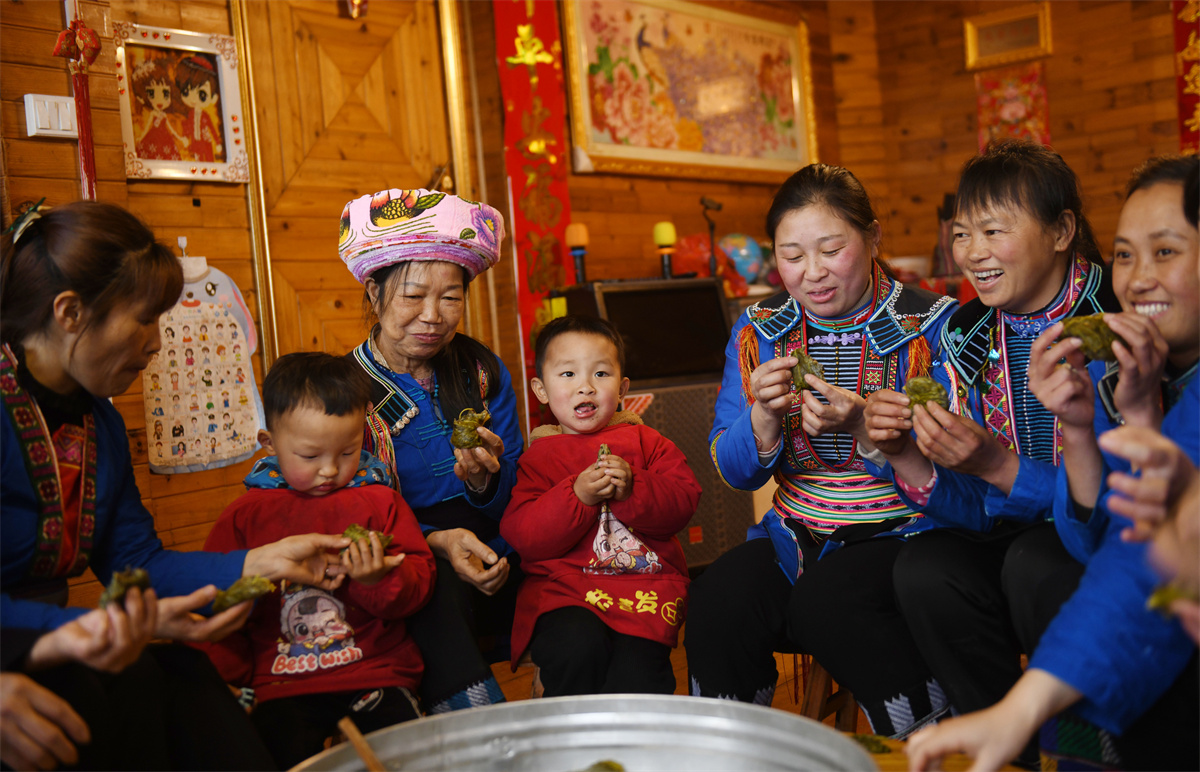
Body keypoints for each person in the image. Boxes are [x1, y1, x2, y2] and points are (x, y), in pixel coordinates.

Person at [1, 200, 350, 769]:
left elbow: (135, 562)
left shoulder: (101, 424)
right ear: (69, 312)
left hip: (63, 644)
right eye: (144, 318)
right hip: (27, 653)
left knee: (183, 679)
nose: (157, 343)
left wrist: (259, 562)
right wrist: (85, 628)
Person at [907, 156, 1199, 772]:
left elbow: (1138, 557)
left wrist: (999, 463)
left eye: (1166, 252)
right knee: (925, 569)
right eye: (1125, 255)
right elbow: (1123, 547)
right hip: (1081, 554)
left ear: (1064, 233)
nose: (1140, 278)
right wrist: (900, 452)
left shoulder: (1101, 330)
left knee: (1038, 565)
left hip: (1085, 568)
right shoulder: (965, 336)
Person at [684, 163, 957, 736]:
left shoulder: (935, 325)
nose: (812, 274)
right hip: (795, 535)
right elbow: (734, 473)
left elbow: (960, 474)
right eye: (792, 256)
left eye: (831, 250)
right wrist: (761, 415)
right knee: (718, 601)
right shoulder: (760, 330)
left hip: (906, 534)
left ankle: (936, 742)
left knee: (829, 603)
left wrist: (863, 422)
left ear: (873, 238)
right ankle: (728, 753)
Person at [198, 353, 436, 768]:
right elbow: (215, 605)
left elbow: (418, 584)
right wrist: (230, 678)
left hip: (376, 673)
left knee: (410, 757)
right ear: (269, 444)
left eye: (347, 452)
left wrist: (378, 579)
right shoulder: (245, 517)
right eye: (310, 456)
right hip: (281, 685)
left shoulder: (380, 501)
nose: (330, 470)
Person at [340, 188, 523, 714]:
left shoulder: (482, 372)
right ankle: (476, 725)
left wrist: (486, 481)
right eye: (413, 296)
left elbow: (516, 488)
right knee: (432, 583)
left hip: (496, 537)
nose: (433, 316)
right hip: (406, 546)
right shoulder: (346, 390)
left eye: (450, 297)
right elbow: (350, 513)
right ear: (374, 294)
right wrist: (437, 541)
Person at [500, 316, 700, 696]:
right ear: (541, 390)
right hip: (566, 593)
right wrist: (576, 497)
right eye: (568, 374)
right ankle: (573, 742)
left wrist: (634, 489)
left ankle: (634, 751)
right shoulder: (538, 458)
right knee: (575, 649)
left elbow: (684, 501)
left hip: (644, 591)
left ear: (623, 388)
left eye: (601, 374)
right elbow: (524, 536)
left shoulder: (648, 442)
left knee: (641, 677)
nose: (585, 387)